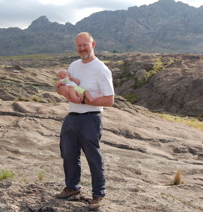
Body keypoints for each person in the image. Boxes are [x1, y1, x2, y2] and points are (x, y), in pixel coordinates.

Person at [55, 32, 115, 211]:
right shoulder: (73, 65)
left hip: (90, 119)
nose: (82, 49)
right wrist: (62, 89)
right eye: (79, 46)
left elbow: (109, 101)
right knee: (69, 155)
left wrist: (82, 101)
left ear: (93, 44)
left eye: (85, 45)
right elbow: (63, 88)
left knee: (93, 158)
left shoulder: (101, 69)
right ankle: (72, 188)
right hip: (71, 118)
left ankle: (98, 194)